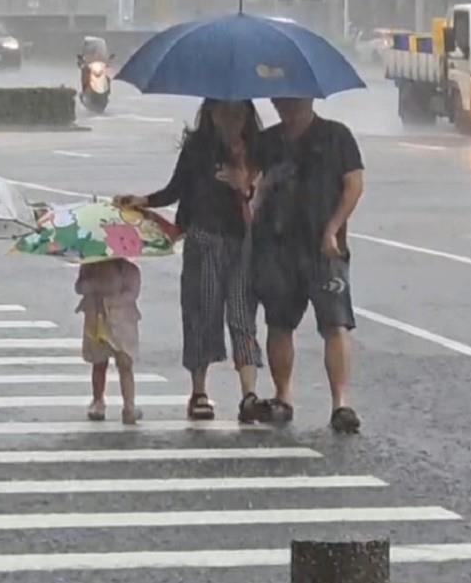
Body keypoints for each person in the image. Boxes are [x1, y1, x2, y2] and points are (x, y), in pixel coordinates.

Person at [115, 99, 265, 422]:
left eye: (238, 113)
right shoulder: (198, 149)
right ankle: (199, 391)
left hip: (243, 243)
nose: (231, 120)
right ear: (210, 113)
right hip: (204, 239)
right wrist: (145, 201)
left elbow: (267, 197)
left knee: (243, 316)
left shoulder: (258, 149)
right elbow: (177, 189)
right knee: (202, 312)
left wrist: (244, 185)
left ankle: (249, 395)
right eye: (224, 112)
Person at [251, 97, 364, 433]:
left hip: (324, 248)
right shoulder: (267, 142)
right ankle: (282, 396)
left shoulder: (335, 136)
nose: (289, 106)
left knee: (335, 323)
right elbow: (252, 189)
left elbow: (354, 184)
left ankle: (341, 403)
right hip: (277, 245)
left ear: (311, 99)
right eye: (283, 100)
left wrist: (333, 227)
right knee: (279, 323)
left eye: (296, 100)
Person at [75, 259, 142, 425]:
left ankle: (129, 405)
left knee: (125, 363)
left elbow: (132, 293)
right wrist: (95, 286)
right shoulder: (89, 266)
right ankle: (98, 400)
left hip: (122, 323)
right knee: (99, 362)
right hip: (96, 319)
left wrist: (109, 298)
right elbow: (79, 287)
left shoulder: (129, 270)